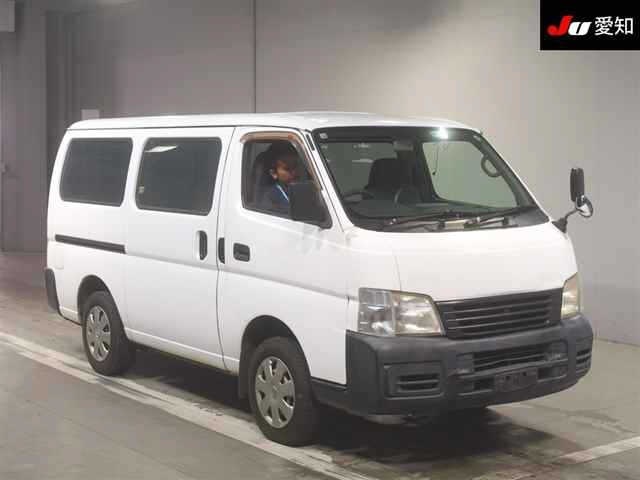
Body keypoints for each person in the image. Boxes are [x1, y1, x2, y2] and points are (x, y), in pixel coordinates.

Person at [261, 141, 300, 214]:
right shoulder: (271, 198)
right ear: (274, 173)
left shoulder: (300, 190)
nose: (294, 172)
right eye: (287, 169)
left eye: (295, 166)